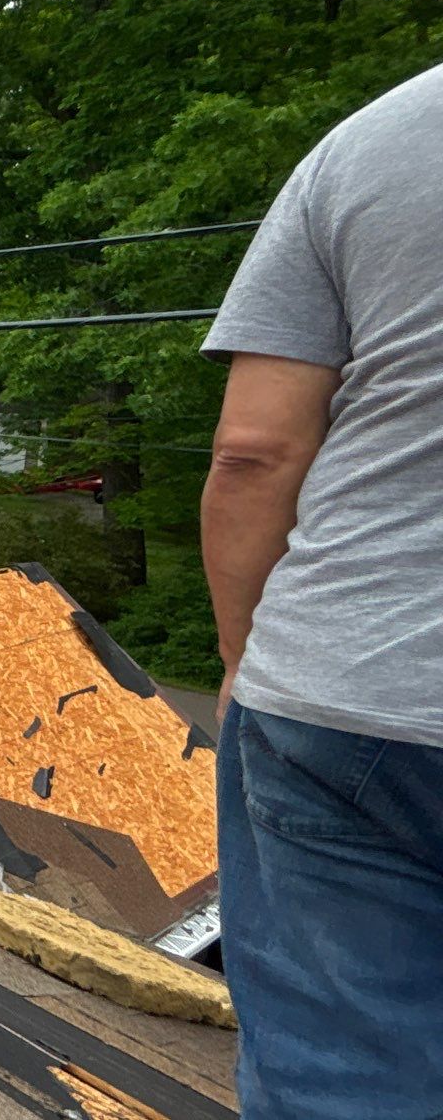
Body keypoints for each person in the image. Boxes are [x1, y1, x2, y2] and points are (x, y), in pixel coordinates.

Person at [200, 63, 443, 1120]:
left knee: (344, 1083)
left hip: (337, 683)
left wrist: (245, 659)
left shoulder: (369, 144)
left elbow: (254, 452)